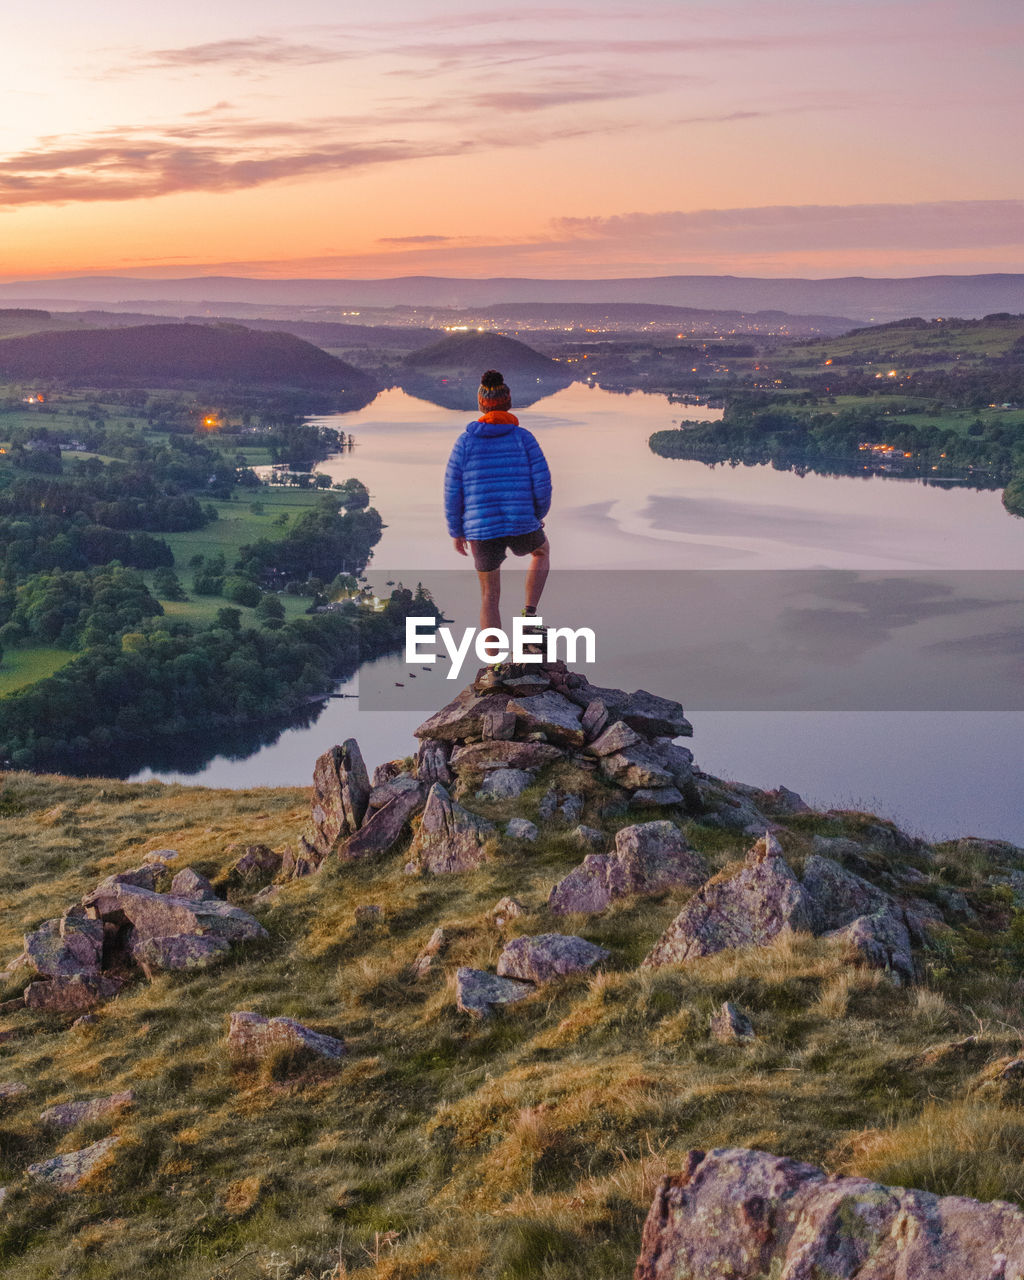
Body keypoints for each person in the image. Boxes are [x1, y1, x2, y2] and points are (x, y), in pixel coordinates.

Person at [444, 369, 551, 638]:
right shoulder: (523, 438)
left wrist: (456, 531)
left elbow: (452, 491)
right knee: (541, 552)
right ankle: (528, 613)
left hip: (481, 529)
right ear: (508, 402)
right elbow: (542, 483)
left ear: (481, 404)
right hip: (520, 520)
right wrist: (536, 515)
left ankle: (494, 666)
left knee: (489, 596)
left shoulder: (465, 442)